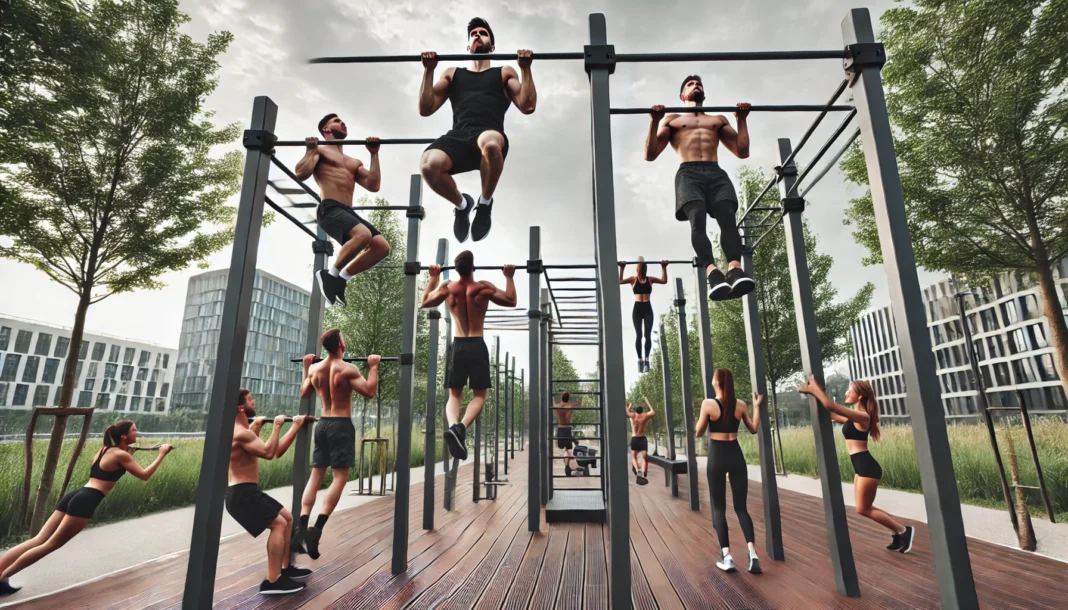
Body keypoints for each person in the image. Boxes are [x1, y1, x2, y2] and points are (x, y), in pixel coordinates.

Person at [0, 420, 172, 597]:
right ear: (124, 436)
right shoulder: (122, 456)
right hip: (87, 500)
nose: (137, 434)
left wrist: (128, 454)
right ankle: (4, 578)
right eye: (134, 431)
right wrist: (162, 454)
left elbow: (111, 469)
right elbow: (144, 475)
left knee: (38, 540)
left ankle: (0, 572)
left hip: (75, 495)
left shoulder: (104, 451)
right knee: (51, 544)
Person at [419, 18, 537, 243]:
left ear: (491, 46)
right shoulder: (453, 74)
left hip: (489, 132)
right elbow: (426, 108)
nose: (477, 35)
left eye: (483, 33)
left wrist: (526, 69)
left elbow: (527, 105)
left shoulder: (503, 72)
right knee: (428, 164)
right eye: (473, 34)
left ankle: (484, 204)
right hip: (459, 135)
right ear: (468, 46)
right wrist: (429, 72)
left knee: (491, 144)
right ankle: (462, 206)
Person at [643, 75, 755, 301]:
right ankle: (713, 273)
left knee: (727, 216)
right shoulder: (673, 120)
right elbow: (650, 154)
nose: (696, 86)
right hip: (689, 172)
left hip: (716, 172)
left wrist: (741, 119)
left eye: (699, 84)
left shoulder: (718, 119)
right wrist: (655, 121)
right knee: (697, 219)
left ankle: (735, 269)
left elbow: (742, 151)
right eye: (691, 85)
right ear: (682, 95)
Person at [798, 376, 916, 554]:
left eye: (849, 390)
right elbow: (829, 413)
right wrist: (811, 394)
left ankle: (904, 531)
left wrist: (815, 388)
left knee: (863, 509)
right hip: (860, 468)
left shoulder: (862, 416)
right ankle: (896, 532)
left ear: (860, 396)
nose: (846, 393)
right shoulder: (852, 418)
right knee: (866, 507)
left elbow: (830, 405)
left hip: (868, 467)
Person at [421, 251, 517, 458]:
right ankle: (460, 427)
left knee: (454, 394)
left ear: (456, 269)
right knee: (480, 395)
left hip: (458, 345)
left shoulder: (447, 288)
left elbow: (425, 301)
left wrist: (433, 279)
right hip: (476, 344)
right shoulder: (483, 287)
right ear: (474, 267)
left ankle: (454, 425)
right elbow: (511, 300)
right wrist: (509, 276)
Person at [294, 329, 380, 560]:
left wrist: (305, 367)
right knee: (340, 477)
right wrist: (373, 367)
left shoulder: (314, 369)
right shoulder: (348, 369)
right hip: (341, 425)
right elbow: (369, 392)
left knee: (316, 476)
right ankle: (317, 528)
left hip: (322, 425)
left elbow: (304, 393)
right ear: (340, 344)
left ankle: (300, 527)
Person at [295, 114, 390, 306]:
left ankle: (341, 278)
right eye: (337, 121)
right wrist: (310, 150)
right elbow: (301, 173)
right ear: (326, 130)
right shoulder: (320, 151)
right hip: (330, 208)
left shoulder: (353, 162)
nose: (342, 122)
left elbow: (374, 185)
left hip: (348, 212)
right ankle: (329, 275)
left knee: (381, 247)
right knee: (363, 235)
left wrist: (374, 154)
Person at [226, 389, 312, 595]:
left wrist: (296, 427)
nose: (253, 401)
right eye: (249, 400)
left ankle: (284, 569)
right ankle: (272, 582)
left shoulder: (243, 431)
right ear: (240, 407)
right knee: (279, 524)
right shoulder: (240, 432)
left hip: (247, 490)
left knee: (287, 518)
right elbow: (268, 452)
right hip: (242, 494)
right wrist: (277, 426)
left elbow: (276, 450)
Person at [694, 369, 764, 574]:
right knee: (741, 507)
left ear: (716, 382)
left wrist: (702, 420)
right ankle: (752, 552)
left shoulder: (708, 404)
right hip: (736, 454)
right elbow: (753, 429)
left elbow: (698, 432)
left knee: (718, 508)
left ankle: (727, 556)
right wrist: (757, 407)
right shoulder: (740, 405)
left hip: (717, 455)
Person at [619, 258, 668, 373]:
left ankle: (646, 359)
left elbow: (664, 281)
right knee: (639, 335)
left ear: (644, 268)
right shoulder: (633, 279)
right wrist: (622, 268)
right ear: (637, 269)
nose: (640, 268)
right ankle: (640, 359)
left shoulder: (650, 279)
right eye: (639, 266)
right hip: (637, 310)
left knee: (647, 335)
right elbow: (620, 281)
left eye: (642, 266)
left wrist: (663, 267)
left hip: (647, 309)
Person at [625, 398, 656, 485]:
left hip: (635, 438)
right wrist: (647, 401)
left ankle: (638, 472)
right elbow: (653, 412)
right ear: (642, 410)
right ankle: (643, 473)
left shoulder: (632, 416)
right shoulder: (645, 416)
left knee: (634, 457)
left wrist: (629, 406)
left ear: (635, 410)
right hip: (642, 438)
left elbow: (626, 412)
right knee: (644, 457)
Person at [553, 391, 582, 476]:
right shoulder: (571, 405)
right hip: (568, 429)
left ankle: (567, 466)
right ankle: (570, 463)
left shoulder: (557, 406)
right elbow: (579, 402)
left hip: (561, 429)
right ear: (568, 398)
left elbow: (553, 402)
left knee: (565, 449)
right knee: (567, 449)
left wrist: (554, 399)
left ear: (562, 397)